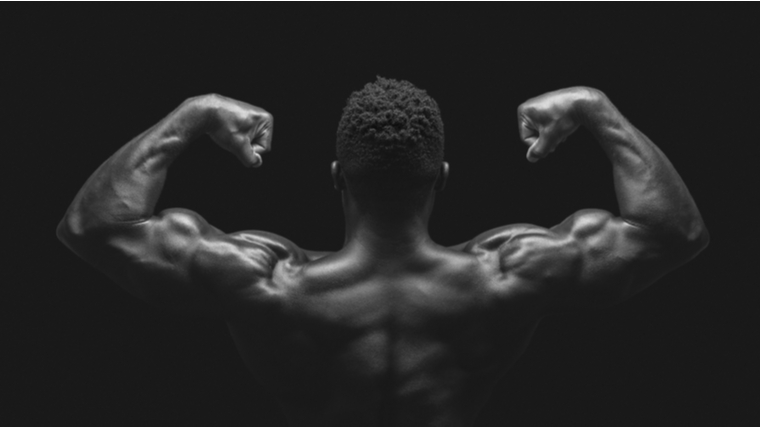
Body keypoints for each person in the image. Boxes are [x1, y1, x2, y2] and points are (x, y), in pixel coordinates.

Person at [57, 77, 709, 427]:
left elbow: (94, 226)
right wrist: (598, 110)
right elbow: (671, 231)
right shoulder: (511, 276)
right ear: (444, 176)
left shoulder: (262, 283)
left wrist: (191, 115)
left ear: (337, 175)